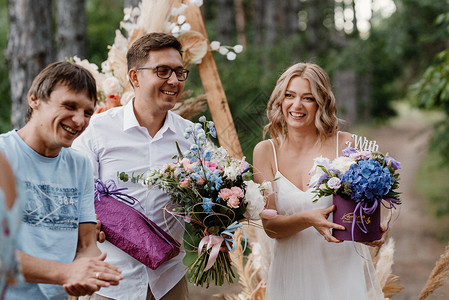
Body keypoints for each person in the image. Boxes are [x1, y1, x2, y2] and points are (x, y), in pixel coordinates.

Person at [73, 32, 192, 300]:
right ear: (135, 77)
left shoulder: (193, 136)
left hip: (169, 282)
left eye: (179, 72)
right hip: (110, 281)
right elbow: (76, 197)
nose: (173, 81)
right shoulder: (97, 130)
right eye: (163, 71)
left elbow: (214, 191)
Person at [253, 62, 385, 299]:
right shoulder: (265, 152)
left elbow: (363, 207)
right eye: (289, 95)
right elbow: (271, 227)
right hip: (290, 274)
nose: (296, 105)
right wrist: (307, 219)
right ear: (280, 100)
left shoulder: (346, 145)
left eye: (308, 98)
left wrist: (372, 229)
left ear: (321, 103)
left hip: (340, 272)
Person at [0, 61, 123, 300]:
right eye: (69, 106)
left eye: (88, 112)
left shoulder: (79, 164)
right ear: (34, 99)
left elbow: (87, 243)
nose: (79, 121)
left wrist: (90, 271)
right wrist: (65, 273)